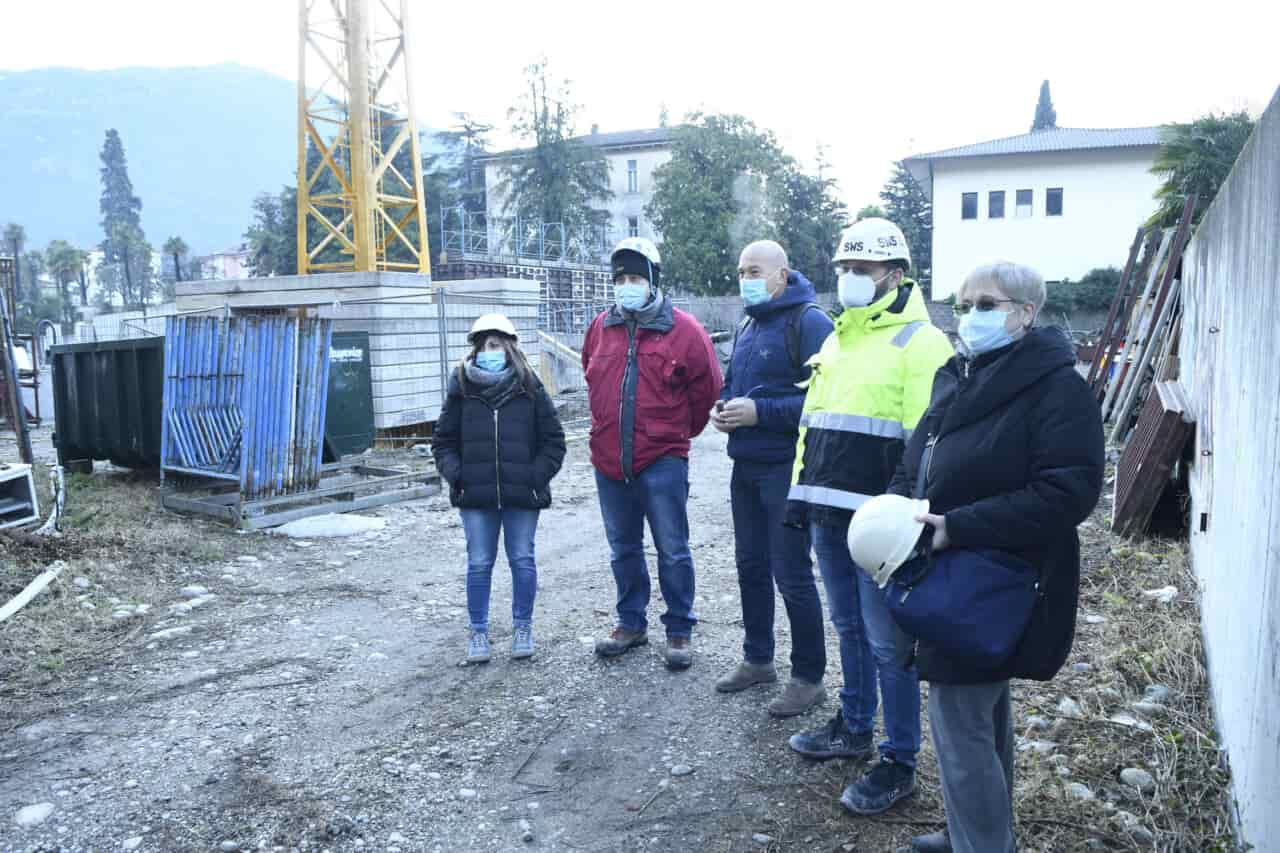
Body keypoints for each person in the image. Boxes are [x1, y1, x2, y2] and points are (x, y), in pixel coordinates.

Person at [891, 262, 1104, 853]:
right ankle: (981, 833)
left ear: (1025, 314)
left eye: (985, 305)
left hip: (997, 580)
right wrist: (893, 506)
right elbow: (919, 457)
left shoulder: (1058, 388)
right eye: (962, 305)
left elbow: (1069, 491)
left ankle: (980, 843)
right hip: (947, 566)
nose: (969, 317)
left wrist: (957, 526)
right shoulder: (957, 375)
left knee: (959, 726)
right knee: (982, 715)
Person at [784, 218, 954, 815]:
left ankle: (898, 759)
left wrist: (909, 521)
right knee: (849, 628)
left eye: (864, 269)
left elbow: (927, 443)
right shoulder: (836, 339)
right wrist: (798, 496)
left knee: (889, 644)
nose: (851, 278)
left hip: (882, 528)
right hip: (829, 515)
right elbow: (813, 425)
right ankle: (854, 725)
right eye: (845, 269)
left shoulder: (923, 343)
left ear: (896, 274)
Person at [583, 237, 723, 669]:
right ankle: (631, 623)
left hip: (661, 460)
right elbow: (592, 378)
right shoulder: (601, 327)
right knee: (622, 548)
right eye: (620, 278)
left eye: (635, 277)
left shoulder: (684, 330)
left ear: (653, 281)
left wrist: (677, 436)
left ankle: (679, 630)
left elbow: (708, 389)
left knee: (672, 548)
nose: (627, 285)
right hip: (609, 461)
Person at [710, 240, 833, 717]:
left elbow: (824, 401)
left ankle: (809, 676)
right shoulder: (747, 323)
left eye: (755, 270)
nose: (746, 279)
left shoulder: (811, 323)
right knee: (750, 566)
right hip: (746, 464)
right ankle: (758, 658)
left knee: (791, 572)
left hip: (787, 466)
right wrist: (724, 407)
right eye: (741, 270)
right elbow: (732, 384)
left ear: (783, 274)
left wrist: (761, 411)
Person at [432, 313, 566, 664]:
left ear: (509, 348)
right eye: (483, 346)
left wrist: (534, 477)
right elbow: (443, 441)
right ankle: (478, 632)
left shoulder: (530, 388)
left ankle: (523, 627)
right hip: (476, 497)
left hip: (522, 495)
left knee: (522, 559)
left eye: (495, 345)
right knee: (479, 563)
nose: (488, 352)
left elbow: (553, 441)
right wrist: (458, 476)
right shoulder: (461, 388)